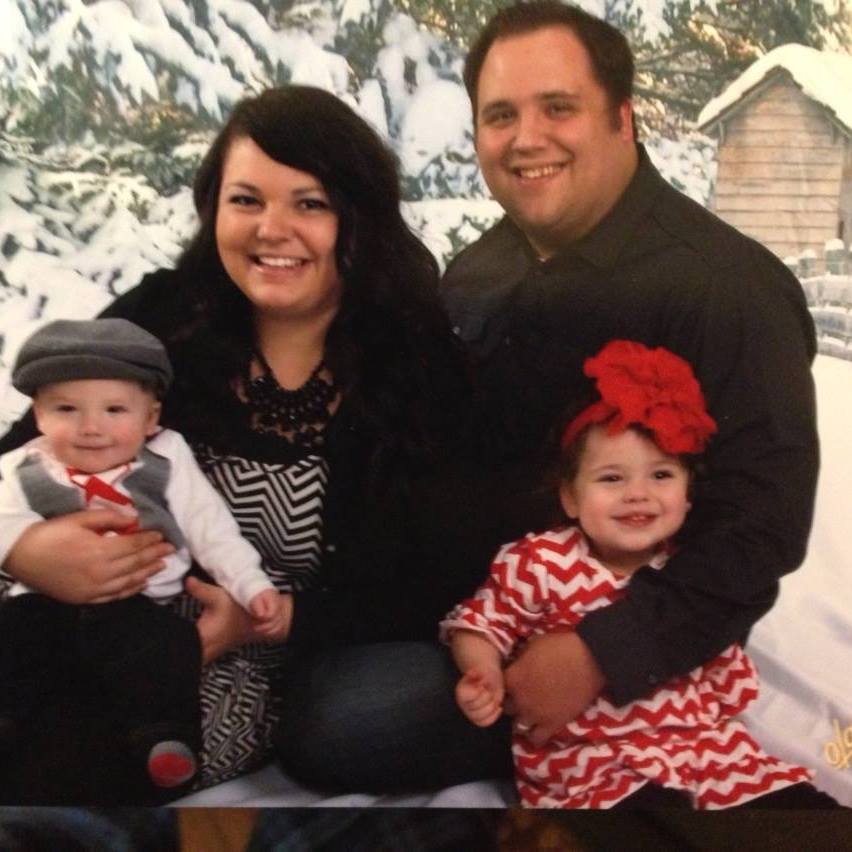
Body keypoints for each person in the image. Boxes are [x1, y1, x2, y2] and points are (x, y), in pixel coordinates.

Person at [0, 85, 508, 803]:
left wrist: (273, 619)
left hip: (291, 654)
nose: (272, 229)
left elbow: (442, 576)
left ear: (358, 218)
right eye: (246, 201)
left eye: (310, 203)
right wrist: (25, 550)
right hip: (93, 622)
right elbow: (26, 447)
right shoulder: (161, 318)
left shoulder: (419, 365)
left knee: (117, 757)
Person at [441, 0, 819, 750]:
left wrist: (601, 655)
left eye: (558, 108)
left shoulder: (728, 288)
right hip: (481, 625)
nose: (526, 139)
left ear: (623, 118)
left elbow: (761, 524)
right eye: (500, 116)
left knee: (348, 725)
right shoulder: (474, 276)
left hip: (637, 660)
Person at [443, 340, 836, 809]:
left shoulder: (691, 573)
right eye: (612, 478)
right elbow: (479, 623)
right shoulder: (541, 562)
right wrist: (484, 671)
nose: (638, 494)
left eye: (661, 476)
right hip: (596, 764)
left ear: (688, 496)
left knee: (799, 809)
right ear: (570, 498)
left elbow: (720, 677)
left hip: (704, 755)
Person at [0, 318, 287, 793]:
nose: (91, 428)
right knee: (15, 636)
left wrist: (250, 585)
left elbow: (211, 529)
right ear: (39, 415)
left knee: (166, 647)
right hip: (44, 603)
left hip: (140, 606)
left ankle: (165, 739)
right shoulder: (21, 466)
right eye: (66, 409)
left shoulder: (166, 458)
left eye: (115, 409)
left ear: (151, 418)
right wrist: (25, 546)